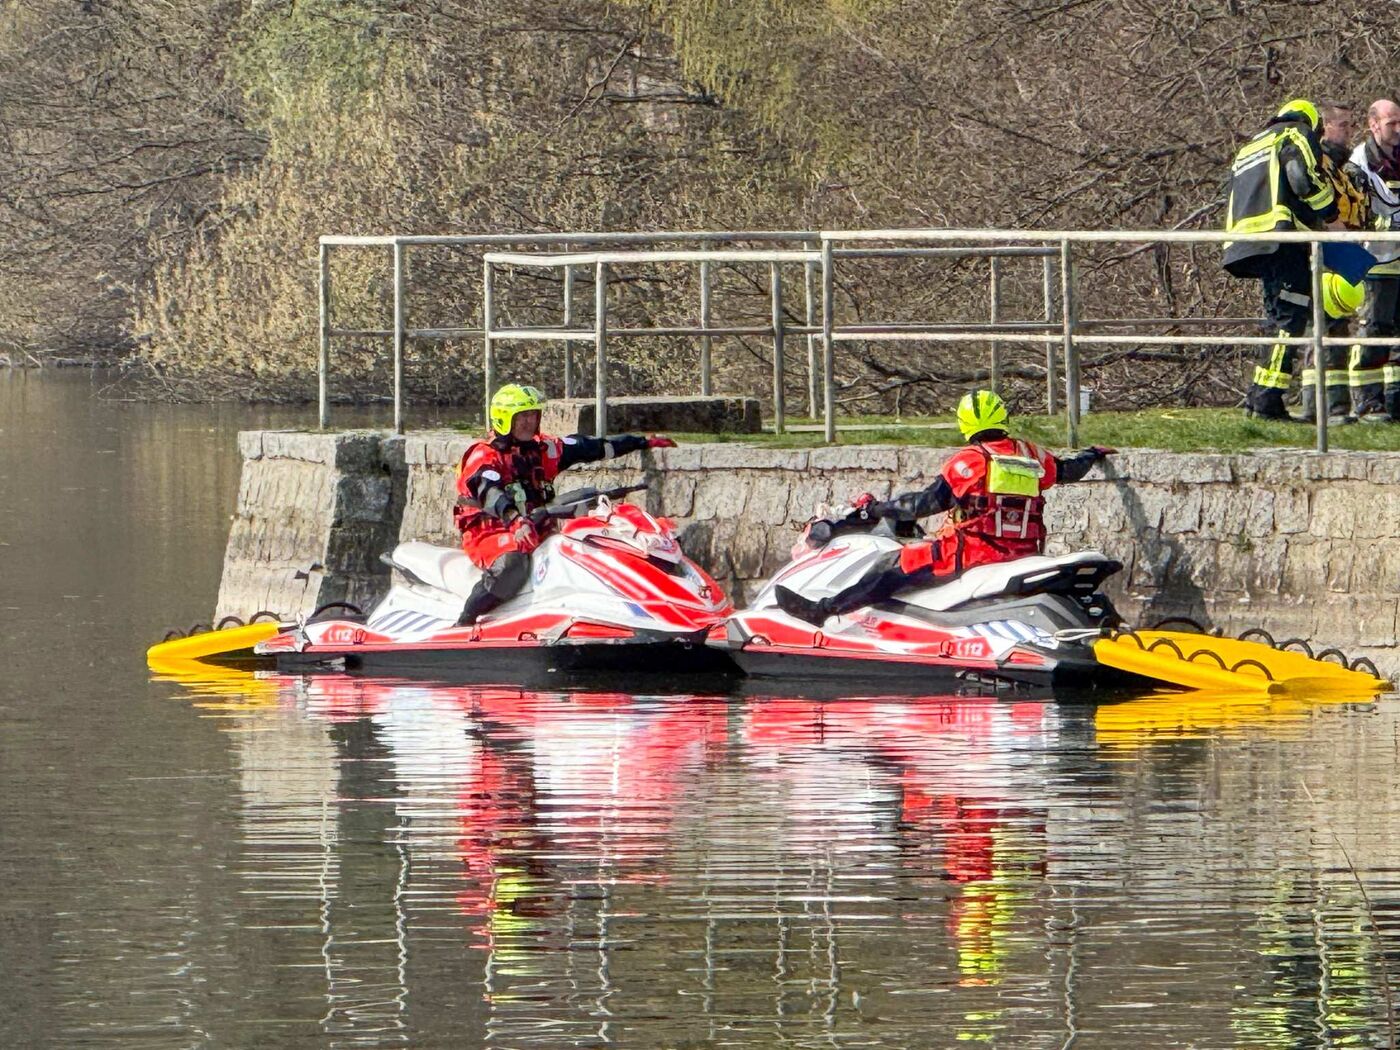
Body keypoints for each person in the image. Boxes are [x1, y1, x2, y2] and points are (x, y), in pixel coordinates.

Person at [774, 390, 1114, 626]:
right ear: (1003, 418)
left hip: (972, 552)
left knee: (892, 567)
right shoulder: (1031, 454)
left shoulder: (972, 461)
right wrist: (1091, 454)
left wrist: (877, 509)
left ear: (964, 424)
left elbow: (923, 504)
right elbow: (1068, 470)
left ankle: (822, 611)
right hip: (1023, 552)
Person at [452, 383, 676, 625]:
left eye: (533, 415)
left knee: (585, 539)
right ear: (504, 419)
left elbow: (591, 447)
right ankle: (466, 620)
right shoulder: (483, 456)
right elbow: (489, 491)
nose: (529, 422)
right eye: (522, 416)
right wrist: (515, 519)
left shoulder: (543, 450)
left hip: (534, 525)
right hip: (491, 533)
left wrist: (641, 442)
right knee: (513, 563)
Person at [1223, 99, 1343, 421]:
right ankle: (1266, 400)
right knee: (1289, 319)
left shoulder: (1251, 146)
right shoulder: (1296, 132)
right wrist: (1330, 211)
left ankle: (1260, 397)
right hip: (1283, 240)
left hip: (1249, 243)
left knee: (1276, 318)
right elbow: (1302, 178)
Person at [1297, 100, 1369, 423]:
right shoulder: (1317, 161)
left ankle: (1337, 406)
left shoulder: (1344, 165)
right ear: (1325, 127)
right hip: (1323, 250)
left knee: (1339, 327)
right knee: (1322, 327)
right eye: (1343, 126)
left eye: (1351, 125)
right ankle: (1318, 407)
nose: (1350, 132)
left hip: (1345, 249)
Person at [1348, 98, 1400, 420]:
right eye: (1392, 123)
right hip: (1377, 261)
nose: (1398, 129)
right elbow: (1358, 212)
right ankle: (1367, 401)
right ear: (1373, 125)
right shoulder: (1360, 161)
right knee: (1374, 330)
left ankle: (1395, 400)